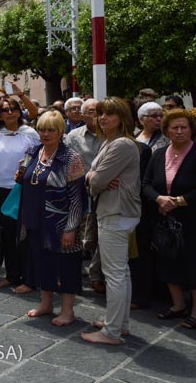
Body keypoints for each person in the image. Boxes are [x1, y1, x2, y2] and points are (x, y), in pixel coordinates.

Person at [81, 97, 142, 345]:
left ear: (122, 117)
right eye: (101, 114)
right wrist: (95, 177)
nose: (103, 118)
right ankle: (119, 323)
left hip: (116, 211)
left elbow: (96, 181)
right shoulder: (111, 142)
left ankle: (112, 332)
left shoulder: (122, 145)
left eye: (109, 114)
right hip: (114, 210)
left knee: (114, 274)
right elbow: (97, 178)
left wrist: (93, 177)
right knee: (121, 272)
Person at [21, 111, 87, 326]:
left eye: (51, 130)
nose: (45, 134)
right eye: (42, 129)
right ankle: (46, 303)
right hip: (36, 219)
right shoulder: (34, 151)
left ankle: (68, 310)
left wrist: (71, 228)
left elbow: (77, 198)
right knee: (43, 263)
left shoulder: (71, 158)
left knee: (67, 266)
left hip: (61, 223)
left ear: (61, 132)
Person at [141, 109, 196, 329]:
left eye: (184, 127)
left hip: (191, 218)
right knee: (167, 261)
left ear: (191, 129)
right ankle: (177, 305)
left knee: (193, 264)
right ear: (167, 130)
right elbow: (145, 184)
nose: (180, 131)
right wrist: (159, 199)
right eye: (175, 127)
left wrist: (180, 200)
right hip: (164, 218)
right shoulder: (159, 154)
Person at [0, 96, 40, 292]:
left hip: (24, 190)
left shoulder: (31, 134)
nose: (10, 113)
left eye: (13, 109)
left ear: (19, 111)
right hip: (1, 190)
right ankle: (12, 275)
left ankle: (29, 277)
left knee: (26, 235)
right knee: (7, 235)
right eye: (5, 110)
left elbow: (38, 160)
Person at [64, 98, 106, 295]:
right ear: (82, 115)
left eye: (99, 111)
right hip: (79, 191)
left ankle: (96, 274)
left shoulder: (111, 135)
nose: (96, 115)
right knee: (77, 232)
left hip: (105, 192)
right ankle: (75, 270)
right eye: (90, 111)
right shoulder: (73, 136)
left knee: (101, 235)